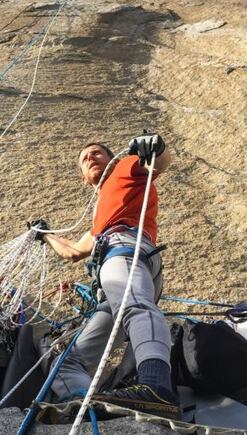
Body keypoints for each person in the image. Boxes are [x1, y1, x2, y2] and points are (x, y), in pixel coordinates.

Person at [37, 134, 179, 419]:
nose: (90, 157)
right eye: (84, 158)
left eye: (97, 153)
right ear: (83, 178)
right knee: (66, 360)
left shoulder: (125, 168)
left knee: (136, 307)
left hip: (126, 250)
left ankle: (156, 386)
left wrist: (156, 148)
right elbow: (75, 252)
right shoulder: (103, 215)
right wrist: (45, 235)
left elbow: (158, 163)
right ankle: (86, 407)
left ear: (112, 160)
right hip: (116, 262)